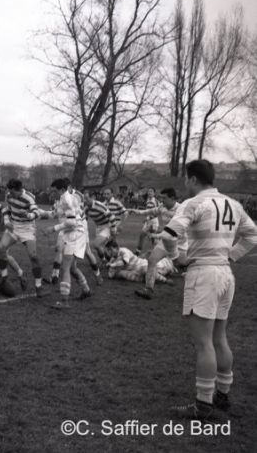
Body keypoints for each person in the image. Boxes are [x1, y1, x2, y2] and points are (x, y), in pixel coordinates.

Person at [157, 160, 257, 419]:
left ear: (192, 179)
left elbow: (168, 235)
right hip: (225, 274)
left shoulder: (194, 203)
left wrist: (176, 259)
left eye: (186, 179)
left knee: (204, 343)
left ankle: (203, 405)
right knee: (219, 338)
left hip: (204, 274)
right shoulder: (233, 204)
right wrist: (232, 255)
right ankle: (222, 394)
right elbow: (252, 235)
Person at [129, 188, 188, 300]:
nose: (162, 201)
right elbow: (152, 211)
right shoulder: (162, 207)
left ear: (172, 198)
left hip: (180, 243)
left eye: (164, 198)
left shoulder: (182, 210)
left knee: (185, 267)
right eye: (161, 198)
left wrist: (156, 235)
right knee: (152, 260)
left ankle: (196, 292)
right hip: (165, 241)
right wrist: (138, 212)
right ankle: (148, 290)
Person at [43, 178, 91, 309]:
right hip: (72, 233)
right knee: (72, 268)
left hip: (75, 233)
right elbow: (54, 213)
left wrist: (53, 229)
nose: (52, 193)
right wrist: (36, 213)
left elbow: (72, 222)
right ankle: (86, 290)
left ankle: (64, 302)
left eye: (54, 191)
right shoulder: (62, 198)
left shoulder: (66, 199)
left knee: (66, 267)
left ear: (62, 190)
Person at [0, 179, 48, 297]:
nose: (10, 194)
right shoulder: (9, 195)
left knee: (33, 257)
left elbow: (36, 212)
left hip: (27, 229)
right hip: (14, 227)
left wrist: (29, 215)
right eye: (9, 191)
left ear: (19, 190)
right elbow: (6, 209)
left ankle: (38, 287)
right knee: (1, 249)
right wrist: (6, 220)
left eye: (12, 192)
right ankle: (4, 277)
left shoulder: (29, 198)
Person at [104, 241, 175, 284]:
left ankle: (165, 280)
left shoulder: (123, 251)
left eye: (110, 249)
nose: (109, 252)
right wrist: (111, 268)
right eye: (108, 250)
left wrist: (112, 265)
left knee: (146, 270)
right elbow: (111, 275)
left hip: (143, 265)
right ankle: (145, 278)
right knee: (121, 273)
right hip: (135, 271)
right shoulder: (113, 259)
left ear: (117, 248)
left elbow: (125, 261)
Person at [135, 187, 160, 255]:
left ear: (154, 193)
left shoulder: (156, 201)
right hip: (148, 221)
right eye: (149, 191)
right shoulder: (148, 200)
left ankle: (157, 251)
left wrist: (148, 218)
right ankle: (138, 252)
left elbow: (157, 213)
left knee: (153, 238)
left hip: (154, 222)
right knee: (142, 235)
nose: (149, 193)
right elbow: (147, 211)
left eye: (151, 191)